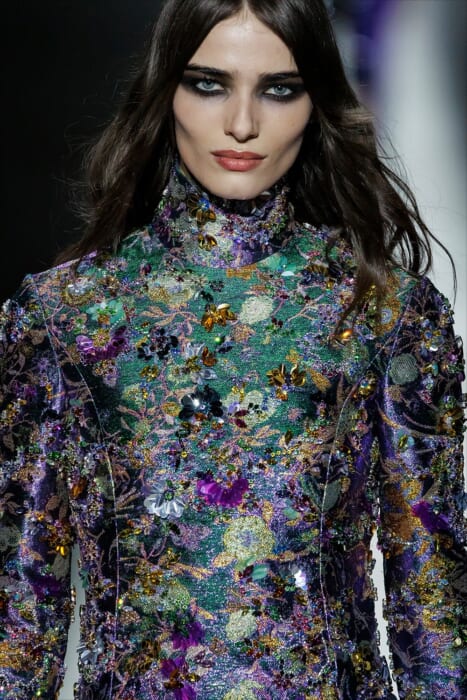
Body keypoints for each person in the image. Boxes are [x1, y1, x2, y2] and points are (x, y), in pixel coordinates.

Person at [0, 0, 465, 698]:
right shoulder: (66, 317)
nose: (241, 123)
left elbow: (429, 598)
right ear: (166, 92)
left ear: (316, 104)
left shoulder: (387, 314)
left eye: (279, 89)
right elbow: (21, 608)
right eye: (209, 84)